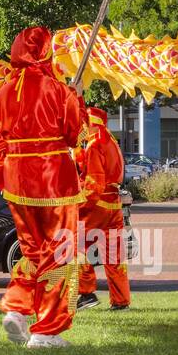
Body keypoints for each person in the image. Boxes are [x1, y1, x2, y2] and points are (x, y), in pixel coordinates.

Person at [0, 26, 85, 349]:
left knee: (31, 250)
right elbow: (76, 136)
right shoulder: (58, 91)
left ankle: (17, 307)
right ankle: (47, 329)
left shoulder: (1, 95)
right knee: (60, 252)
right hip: (54, 180)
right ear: (46, 52)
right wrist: (77, 97)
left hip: (17, 182)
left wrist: (6, 183)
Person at [75, 107, 129, 312]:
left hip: (96, 205)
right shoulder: (110, 141)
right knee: (114, 256)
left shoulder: (94, 144)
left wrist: (80, 204)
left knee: (75, 244)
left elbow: (94, 182)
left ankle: (86, 292)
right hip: (113, 204)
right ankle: (121, 300)